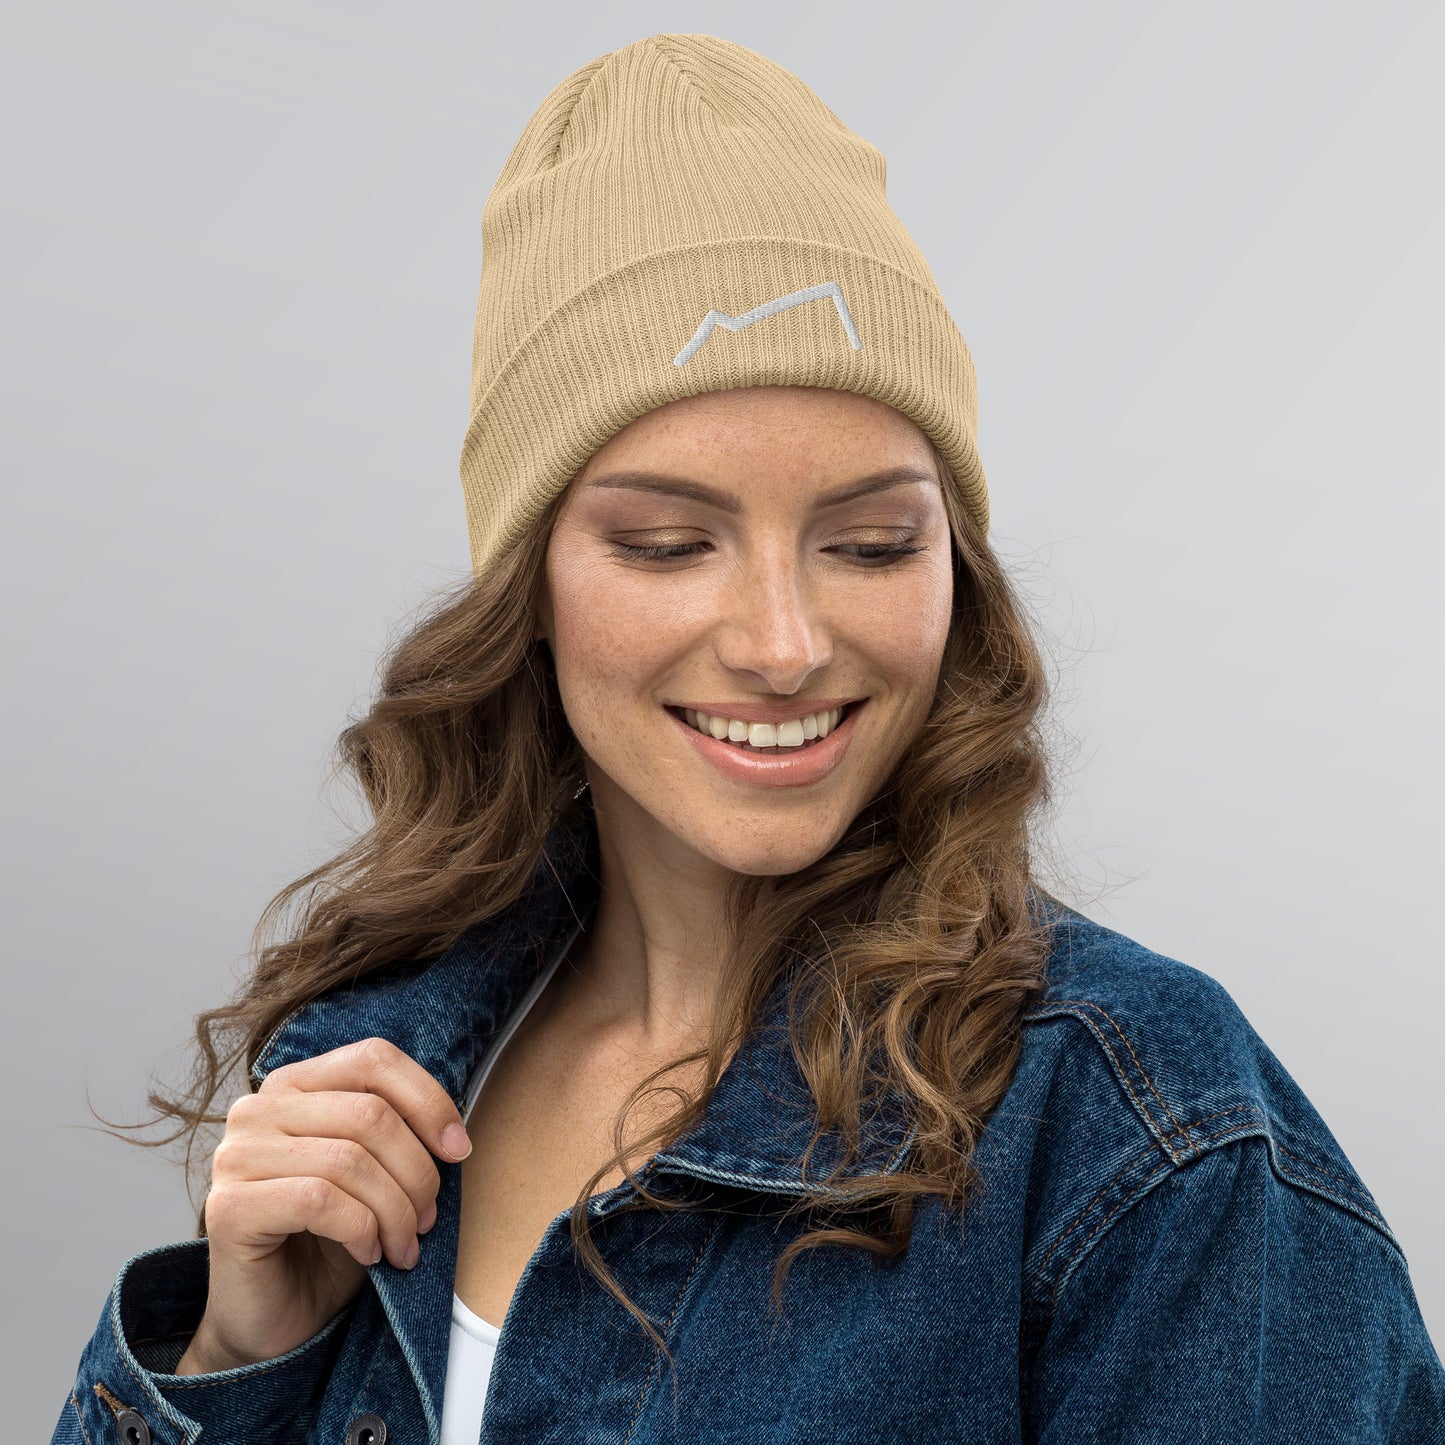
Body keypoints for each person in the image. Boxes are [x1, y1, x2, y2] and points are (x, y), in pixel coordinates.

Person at [53, 32, 1444, 1445]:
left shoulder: (1143, 1138)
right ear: (529, 590)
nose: (783, 643)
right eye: (668, 544)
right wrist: (238, 1354)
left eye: (870, 540)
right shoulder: (376, 1066)